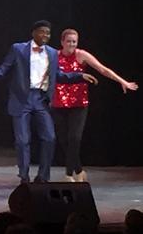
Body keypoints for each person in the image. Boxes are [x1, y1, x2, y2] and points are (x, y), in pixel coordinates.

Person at [0, 20, 97, 183]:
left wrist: (79, 76)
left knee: (49, 138)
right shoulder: (18, 48)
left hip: (41, 99)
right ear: (34, 33)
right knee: (23, 140)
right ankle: (24, 175)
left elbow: (59, 75)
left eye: (48, 33)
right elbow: (4, 69)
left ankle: (43, 176)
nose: (45, 36)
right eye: (42, 32)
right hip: (22, 99)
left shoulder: (51, 53)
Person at [52, 28, 137, 182]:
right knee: (64, 140)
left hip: (79, 103)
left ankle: (69, 174)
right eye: (68, 41)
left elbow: (102, 69)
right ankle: (79, 170)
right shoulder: (54, 56)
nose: (71, 44)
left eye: (74, 42)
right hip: (58, 103)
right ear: (62, 42)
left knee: (74, 138)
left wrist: (122, 81)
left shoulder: (81, 55)